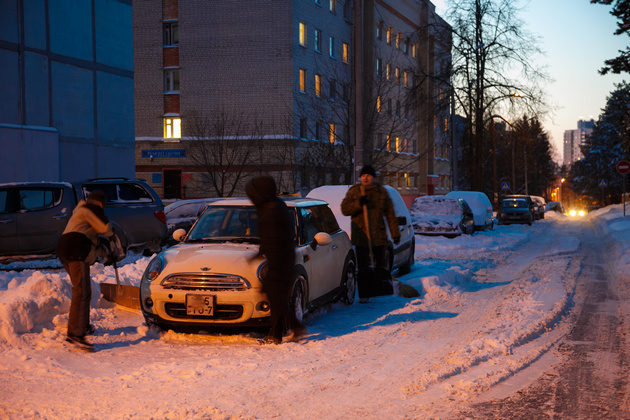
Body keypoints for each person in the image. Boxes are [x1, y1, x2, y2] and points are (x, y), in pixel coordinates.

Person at [245, 175, 307, 344]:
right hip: (281, 258)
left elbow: (274, 238)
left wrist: (268, 258)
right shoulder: (274, 205)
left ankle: (290, 329)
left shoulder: (270, 208)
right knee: (276, 299)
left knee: (276, 299)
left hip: (279, 261)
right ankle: (278, 333)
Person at [56, 190, 114, 352]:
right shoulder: (89, 209)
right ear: (100, 204)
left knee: (84, 290)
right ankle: (75, 334)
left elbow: (94, 241)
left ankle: (82, 325)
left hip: (69, 248)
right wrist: (113, 234)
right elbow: (106, 228)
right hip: (75, 249)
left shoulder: (83, 216)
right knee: (81, 291)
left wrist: (106, 253)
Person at [341, 165, 400, 303]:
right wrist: (358, 204)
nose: (365, 178)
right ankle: (365, 294)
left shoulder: (381, 192)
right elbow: (345, 209)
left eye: (368, 176)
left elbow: (390, 214)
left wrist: (395, 233)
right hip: (361, 236)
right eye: (363, 176)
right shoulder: (355, 191)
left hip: (378, 236)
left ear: (374, 177)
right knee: (363, 267)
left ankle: (381, 289)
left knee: (380, 265)